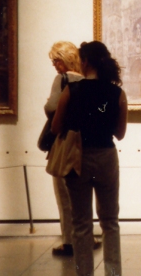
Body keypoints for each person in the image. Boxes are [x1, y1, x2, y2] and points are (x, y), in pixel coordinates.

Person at [52, 41, 128, 276]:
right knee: (110, 222)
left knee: (81, 224)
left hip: (78, 157)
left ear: (84, 62)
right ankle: (113, 273)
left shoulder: (71, 90)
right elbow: (120, 133)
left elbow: (56, 126)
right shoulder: (117, 93)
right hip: (106, 156)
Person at [44, 41, 86, 257]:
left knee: (63, 194)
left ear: (65, 60)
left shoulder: (62, 79)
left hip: (63, 142)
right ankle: (86, 238)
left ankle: (69, 241)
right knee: (83, 196)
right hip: (84, 143)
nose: (54, 65)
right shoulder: (86, 79)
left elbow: (51, 107)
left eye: (56, 60)